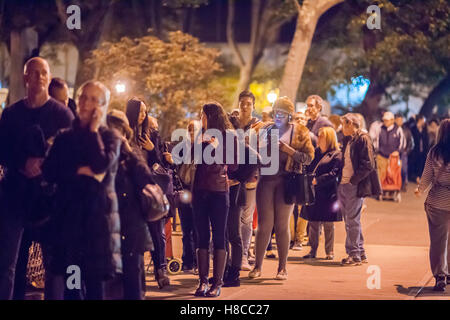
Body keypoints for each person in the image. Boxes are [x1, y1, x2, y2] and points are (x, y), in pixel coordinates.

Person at [0, 57, 74, 300]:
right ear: (25, 78)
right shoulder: (11, 115)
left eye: (44, 73)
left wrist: (44, 164)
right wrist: (22, 163)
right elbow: (2, 149)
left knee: (54, 266)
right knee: (9, 264)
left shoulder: (62, 115)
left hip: (49, 200)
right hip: (14, 197)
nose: (40, 77)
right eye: (34, 73)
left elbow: (71, 155)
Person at [42, 80, 121, 300]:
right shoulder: (65, 137)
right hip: (69, 225)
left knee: (95, 289)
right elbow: (49, 172)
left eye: (94, 99)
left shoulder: (109, 137)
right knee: (72, 286)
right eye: (84, 97)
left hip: (96, 227)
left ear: (103, 106)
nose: (86, 103)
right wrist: (78, 170)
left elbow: (100, 165)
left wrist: (94, 131)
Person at [249, 97, 314, 280]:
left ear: (289, 115)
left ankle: (282, 268)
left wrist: (289, 150)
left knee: (282, 225)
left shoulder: (300, 131)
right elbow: (250, 150)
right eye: (276, 112)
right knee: (264, 226)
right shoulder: (264, 129)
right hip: (266, 180)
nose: (279, 116)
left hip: (287, 181)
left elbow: (308, 157)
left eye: (283, 113)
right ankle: (257, 267)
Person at [107, 109, 154, 300]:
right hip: (107, 232)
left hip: (132, 230)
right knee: (111, 286)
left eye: (117, 130)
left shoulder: (132, 156)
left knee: (133, 284)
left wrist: (127, 150)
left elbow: (148, 183)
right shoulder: (101, 154)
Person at [192, 102, 237, 297]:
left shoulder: (229, 136)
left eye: (203, 115)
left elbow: (234, 164)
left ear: (212, 116)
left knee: (219, 236)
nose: (201, 118)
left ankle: (217, 283)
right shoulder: (200, 135)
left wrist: (216, 147)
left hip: (219, 191)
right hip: (200, 191)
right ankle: (202, 281)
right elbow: (192, 158)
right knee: (201, 236)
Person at [125, 98, 170, 289]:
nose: (143, 115)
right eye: (140, 112)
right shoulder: (124, 132)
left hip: (149, 188)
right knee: (133, 233)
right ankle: (135, 275)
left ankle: (161, 269)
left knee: (156, 230)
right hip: (129, 190)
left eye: (145, 111)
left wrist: (152, 150)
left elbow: (159, 162)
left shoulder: (152, 134)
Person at [339, 113, 381, 266]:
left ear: (350, 124)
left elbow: (368, 164)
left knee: (352, 220)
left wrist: (353, 181)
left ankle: (354, 253)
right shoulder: (348, 139)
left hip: (353, 185)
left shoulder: (363, 138)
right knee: (351, 220)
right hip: (345, 184)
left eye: (344, 124)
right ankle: (360, 252)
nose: (342, 128)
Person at [415, 118, 450, 292]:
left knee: (438, 240)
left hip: (437, 202)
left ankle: (440, 276)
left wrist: (420, 189)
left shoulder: (434, 152)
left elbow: (427, 175)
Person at [300, 127, 343, 260]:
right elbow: (307, 166)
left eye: (322, 137)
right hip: (314, 193)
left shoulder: (336, 154)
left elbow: (334, 174)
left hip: (329, 193)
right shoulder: (315, 152)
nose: (319, 139)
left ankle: (329, 251)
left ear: (329, 138)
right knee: (313, 223)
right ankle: (313, 250)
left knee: (328, 224)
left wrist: (317, 180)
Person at [373, 111, 405, 190]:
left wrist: (398, 151)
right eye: (384, 120)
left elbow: (403, 143)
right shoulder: (380, 129)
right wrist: (377, 151)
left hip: (394, 157)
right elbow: (376, 141)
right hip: (382, 155)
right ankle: (380, 189)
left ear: (392, 120)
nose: (385, 122)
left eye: (387, 120)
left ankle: (393, 189)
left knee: (393, 175)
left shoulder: (398, 129)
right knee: (381, 174)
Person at [395, 113, 414, 192]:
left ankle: (403, 183)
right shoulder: (393, 130)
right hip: (394, 153)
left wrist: (407, 151)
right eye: (398, 120)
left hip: (403, 153)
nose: (399, 121)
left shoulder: (406, 130)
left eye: (401, 120)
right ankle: (395, 185)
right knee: (395, 169)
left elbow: (411, 143)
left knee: (403, 169)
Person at [409, 114, 429, 183]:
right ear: (419, 120)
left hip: (423, 150)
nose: (424, 121)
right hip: (415, 150)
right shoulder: (413, 129)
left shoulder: (424, 129)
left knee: (421, 164)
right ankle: (415, 177)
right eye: (423, 120)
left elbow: (426, 140)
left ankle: (420, 177)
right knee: (415, 164)